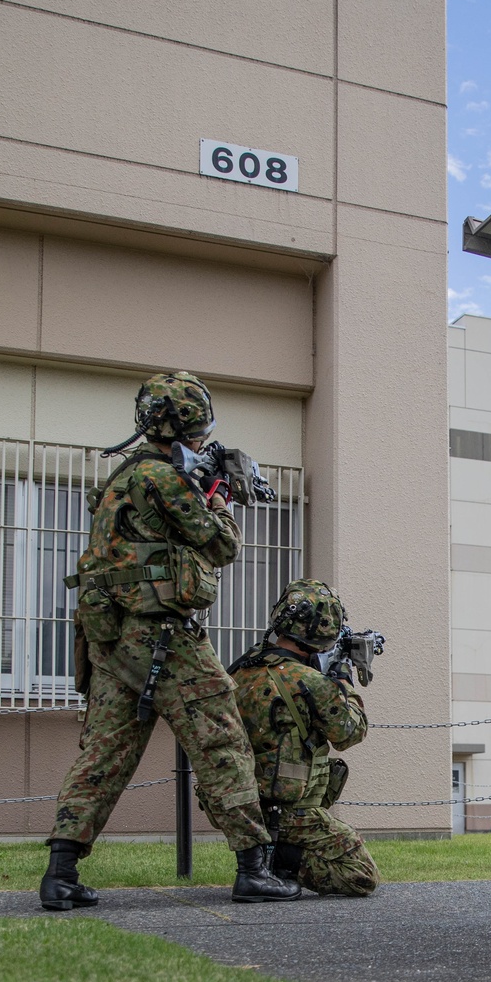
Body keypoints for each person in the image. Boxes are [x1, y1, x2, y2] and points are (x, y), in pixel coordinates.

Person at [39, 371, 300, 910]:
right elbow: (221, 543)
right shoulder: (161, 477)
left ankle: (60, 873)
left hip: (111, 641)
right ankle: (254, 867)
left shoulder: (122, 477)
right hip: (165, 637)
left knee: (104, 754)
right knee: (223, 739)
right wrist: (221, 494)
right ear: (189, 426)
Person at [227, 579, 380, 897]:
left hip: (243, 809)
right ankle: (282, 858)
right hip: (289, 813)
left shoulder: (241, 669)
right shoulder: (310, 682)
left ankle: (266, 858)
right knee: (361, 876)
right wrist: (342, 678)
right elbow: (350, 733)